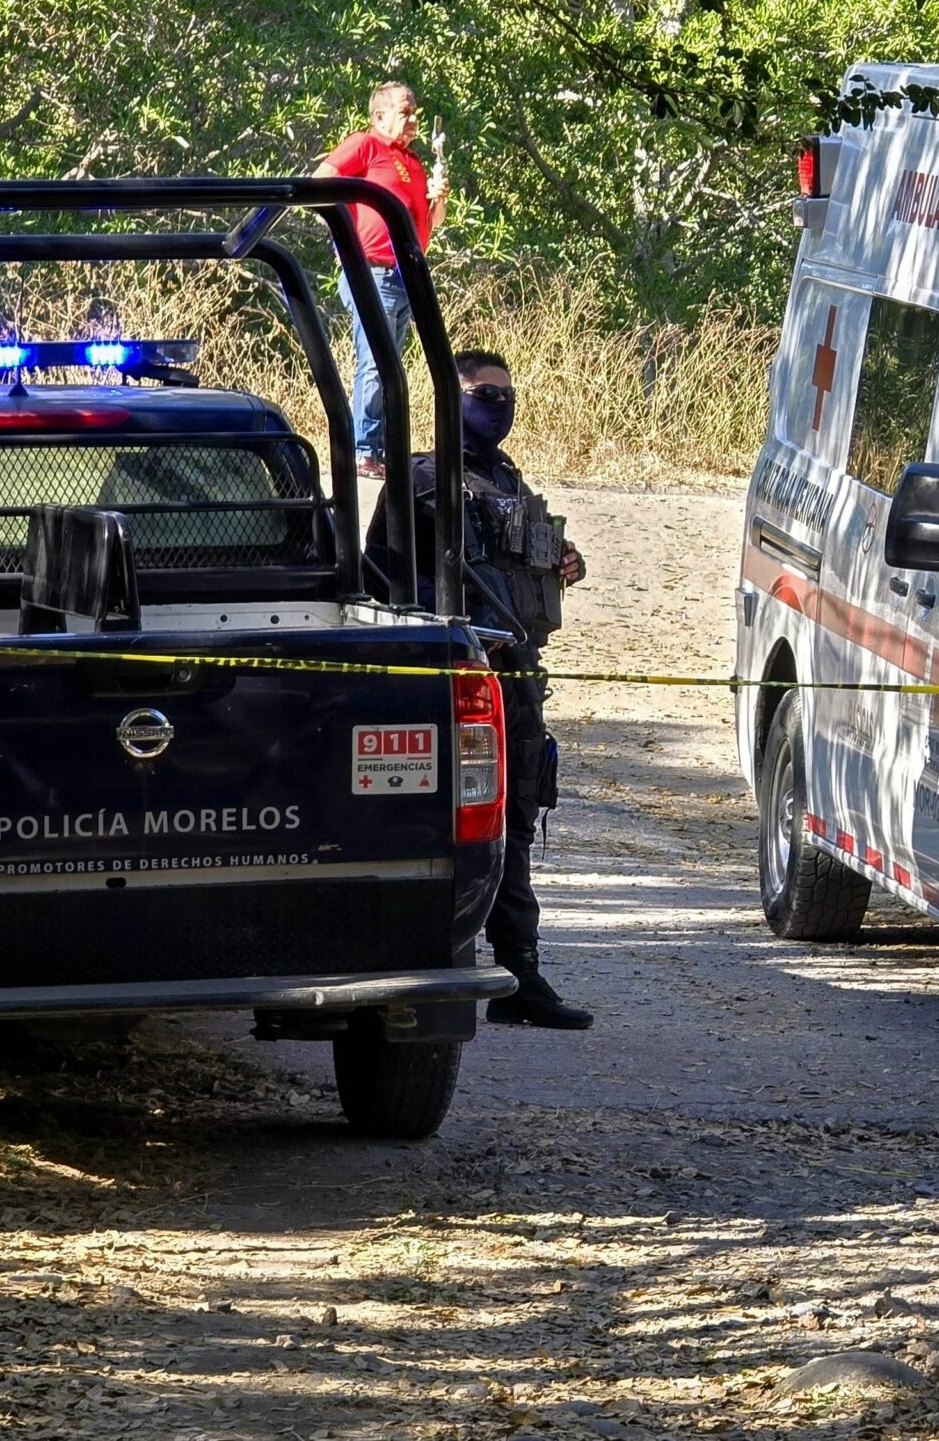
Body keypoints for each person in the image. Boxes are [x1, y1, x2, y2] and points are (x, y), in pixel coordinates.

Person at [373, 349, 593, 1029]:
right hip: (462, 682)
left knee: (517, 822)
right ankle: (427, 967)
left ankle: (519, 972)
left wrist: (562, 561)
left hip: (519, 682)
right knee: (457, 828)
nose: (498, 403)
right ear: (452, 397)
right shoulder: (423, 481)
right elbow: (384, 575)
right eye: (482, 393)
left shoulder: (505, 480)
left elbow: (523, 563)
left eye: (505, 392)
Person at [314, 80, 448, 480]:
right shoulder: (365, 146)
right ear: (379, 116)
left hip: (408, 273)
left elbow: (431, 224)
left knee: (391, 364)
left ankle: (383, 450)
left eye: (414, 114)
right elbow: (320, 182)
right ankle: (361, 451)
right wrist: (345, 236)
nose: (412, 121)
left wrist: (438, 199)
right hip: (371, 270)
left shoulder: (413, 162)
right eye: (405, 112)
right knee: (375, 361)